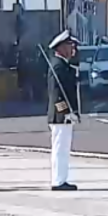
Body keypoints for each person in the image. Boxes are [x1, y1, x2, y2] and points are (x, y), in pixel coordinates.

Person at [46, 30, 80, 191]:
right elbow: (56, 94)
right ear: (61, 48)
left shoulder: (64, 65)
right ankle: (58, 181)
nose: (72, 48)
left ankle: (62, 179)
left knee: (64, 149)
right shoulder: (58, 66)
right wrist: (66, 112)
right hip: (60, 117)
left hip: (64, 116)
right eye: (69, 45)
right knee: (60, 149)